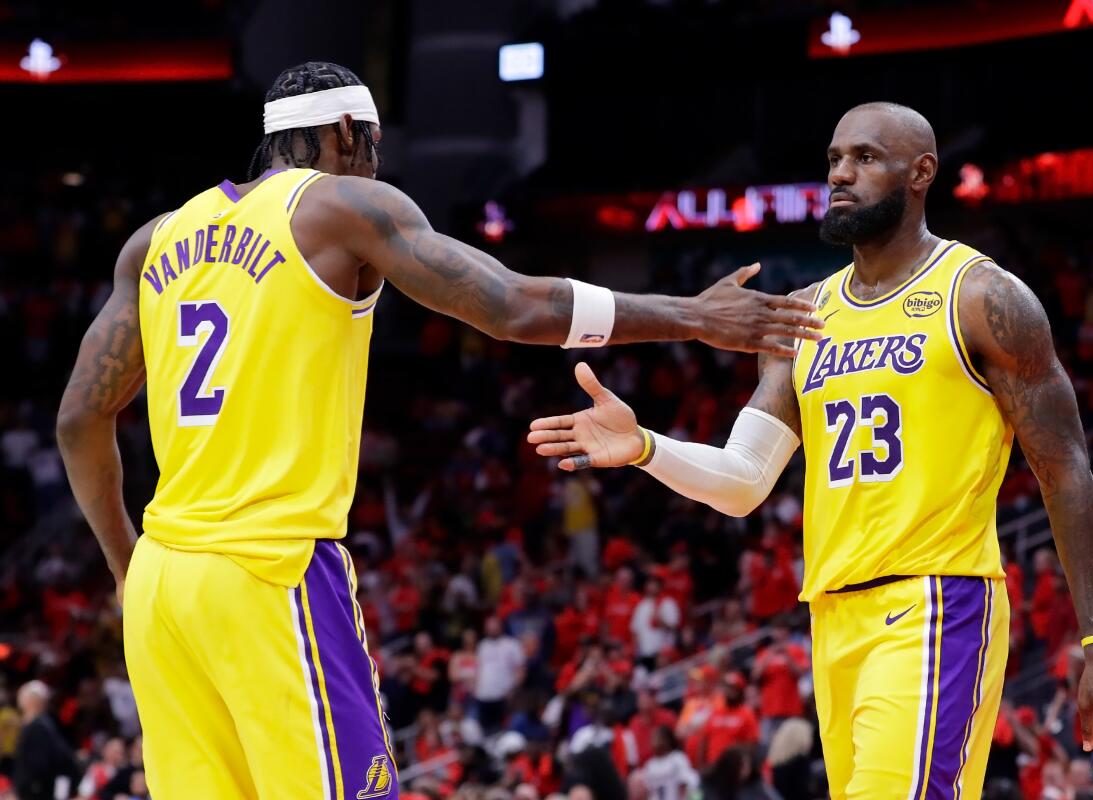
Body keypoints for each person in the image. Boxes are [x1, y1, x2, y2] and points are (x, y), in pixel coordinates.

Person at [54, 62, 820, 799]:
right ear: (350, 132)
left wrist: (129, 567)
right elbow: (515, 306)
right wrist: (691, 316)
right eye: (376, 150)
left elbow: (79, 418)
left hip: (164, 585)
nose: (379, 167)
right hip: (268, 567)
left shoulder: (154, 241)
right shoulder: (343, 207)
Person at [527, 101, 1093, 796]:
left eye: (866, 158)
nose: (841, 174)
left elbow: (1065, 469)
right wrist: (644, 446)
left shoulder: (981, 297)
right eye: (834, 159)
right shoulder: (802, 315)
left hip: (936, 605)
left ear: (921, 173)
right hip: (833, 618)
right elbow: (745, 478)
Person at [12, 681, 79, 800]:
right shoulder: (40, 724)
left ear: (33, 701)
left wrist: (27, 787)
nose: (20, 700)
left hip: (37, 792)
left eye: (23, 696)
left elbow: (40, 764)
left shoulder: (39, 727)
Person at [637, 726, 699, 800]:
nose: (654, 741)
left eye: (657, 737)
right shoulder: (650, 765)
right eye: (652, 738)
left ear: (667, 740)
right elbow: (647, 791)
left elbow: (690, 782)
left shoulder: (677, 758)